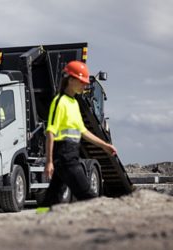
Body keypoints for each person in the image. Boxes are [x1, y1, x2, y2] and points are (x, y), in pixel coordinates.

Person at [37, 61, 117, 213]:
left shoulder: (74, 103)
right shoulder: (59, 102)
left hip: (71, 155)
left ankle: (39, 220)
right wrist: (49, 162)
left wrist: (104, 145)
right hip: (65, 158)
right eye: (82, 82)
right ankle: (104, 220)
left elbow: (83, 131)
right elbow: (50, 132)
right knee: (87, 194)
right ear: (71, 80)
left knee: (52, 197)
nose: (84, 85)